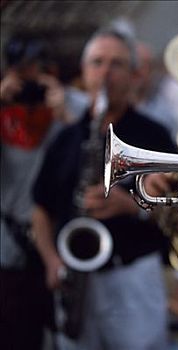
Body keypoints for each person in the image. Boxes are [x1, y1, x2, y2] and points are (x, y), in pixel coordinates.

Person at [31, 28, 176, 349]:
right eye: (97, 63)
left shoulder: (155, 136)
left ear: (134, 74)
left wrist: (134, 206)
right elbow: (41, 209)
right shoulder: (65, 137)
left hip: (132, 277)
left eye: (116, 64)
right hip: (76, 279)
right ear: (84, 72)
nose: (105, 72)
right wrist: (52, 260)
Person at [1, 34, 74, 350]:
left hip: (55, 243)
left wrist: (64, 114)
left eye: (35, 68)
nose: (29, 78)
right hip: (7, 244)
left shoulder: (69, 107)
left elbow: (87, 155)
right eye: (21, 71)